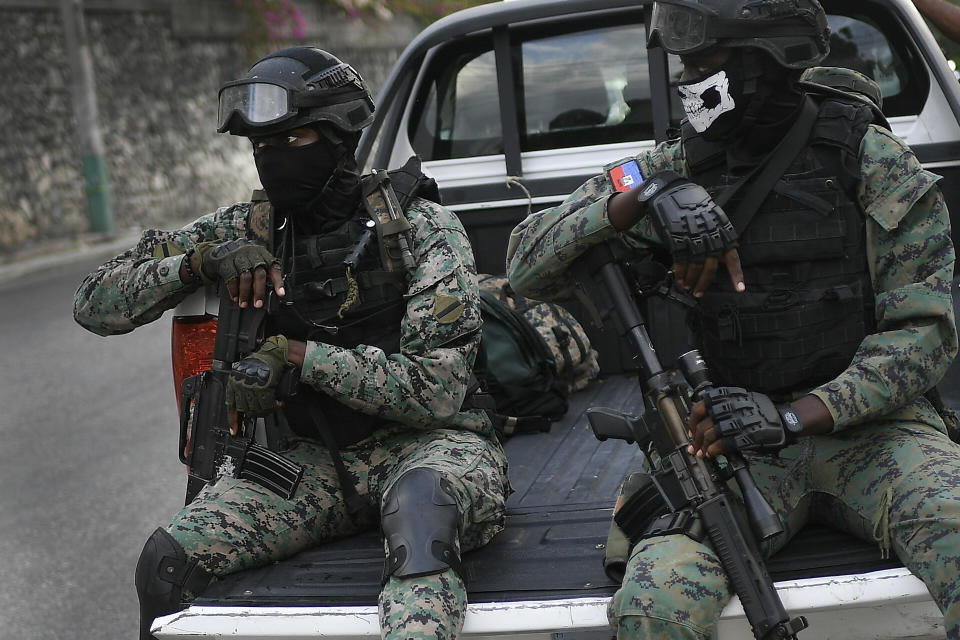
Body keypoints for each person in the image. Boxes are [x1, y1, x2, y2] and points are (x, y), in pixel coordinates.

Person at [506, 0, 960, 638]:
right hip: (723, 448)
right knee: (653, 607)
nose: (685, 80)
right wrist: (644, 199)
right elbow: (527, 263)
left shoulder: (870, 158)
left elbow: (924, 335)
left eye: (701, 62)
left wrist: (792, 415)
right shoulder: (675, 165)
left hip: (874, 432)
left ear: (764, 60)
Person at [73, 46, 510, 640]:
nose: (274, 161)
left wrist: (302, 359)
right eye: (261, 147)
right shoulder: (245, 229)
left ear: (340, 136)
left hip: (428, 450)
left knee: (420, 520)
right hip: (308, 462)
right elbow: (94, 303)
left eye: (295, 139)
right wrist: (199, 263)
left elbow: (435, 391)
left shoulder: (421, 229)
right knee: (167, 564)